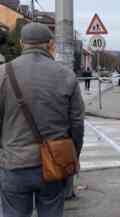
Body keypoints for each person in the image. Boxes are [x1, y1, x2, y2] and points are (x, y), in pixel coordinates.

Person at [0, 23, 85, 217]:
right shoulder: (66, 75)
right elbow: (77, 125)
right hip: (54, 164)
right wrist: (73, 157)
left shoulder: (3, 74)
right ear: (50, 44)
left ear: (22, 43)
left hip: (13, 164)